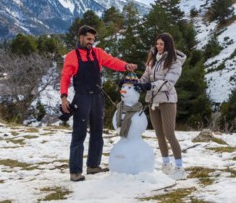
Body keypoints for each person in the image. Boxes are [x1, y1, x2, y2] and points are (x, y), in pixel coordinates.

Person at [60, 25, 137, 182]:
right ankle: (75, 171)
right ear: (80, 37)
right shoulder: (72, 56)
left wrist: (125, 66)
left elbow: (112, 62)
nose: (91, 42)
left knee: (97, 132)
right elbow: (65, 77)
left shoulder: (98, 53)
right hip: (81, 98)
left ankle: (93, 166)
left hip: (97, 97)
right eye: (88, 39)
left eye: (93, 39)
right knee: (79, 135)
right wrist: (63, 97)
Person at [134, 32, 187, 180]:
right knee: (158, 134)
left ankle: (179, 167)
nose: (158, 47)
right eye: (157, 44)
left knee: (169, 134)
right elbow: (145, 77)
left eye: (162, 44)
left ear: (168, 45)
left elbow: (168, 82)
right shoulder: (152, 60)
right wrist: (136, 83)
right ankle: (166, 164)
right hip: (152, 100)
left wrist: (148, 86)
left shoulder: (175, 62)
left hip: (167, 100)